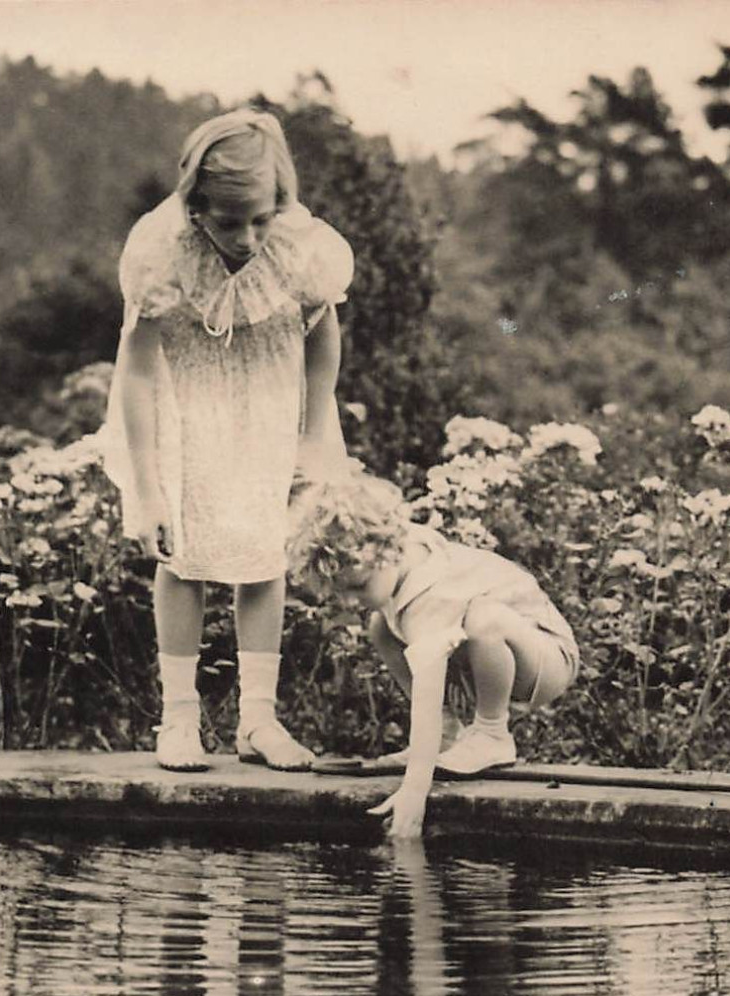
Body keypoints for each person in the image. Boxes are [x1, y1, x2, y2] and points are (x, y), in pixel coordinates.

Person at [98, 109, 354, 772]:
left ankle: (257, 722)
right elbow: (137, 370)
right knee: (182, 553)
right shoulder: (160, 249)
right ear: (195, 203)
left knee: (265, 552)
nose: (247, 237)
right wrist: (149, 490)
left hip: (271, 406)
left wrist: (311, 431)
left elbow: (323, 335)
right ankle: (179, 719)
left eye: (260, 219)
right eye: (228, 221)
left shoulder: (301, 245)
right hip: (183, 408)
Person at [285, 467, 580, 837]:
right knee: (380, 625)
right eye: (339, 591)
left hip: (546, 659)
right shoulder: (397, 546)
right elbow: (358, 525)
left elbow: (425, 693)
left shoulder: (430, 597)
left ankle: (492, 734)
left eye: (358, 587)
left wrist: (414, 789)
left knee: (483, 617)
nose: (349, 601)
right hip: (489, 656)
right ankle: (449, 734)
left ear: (386, 552)